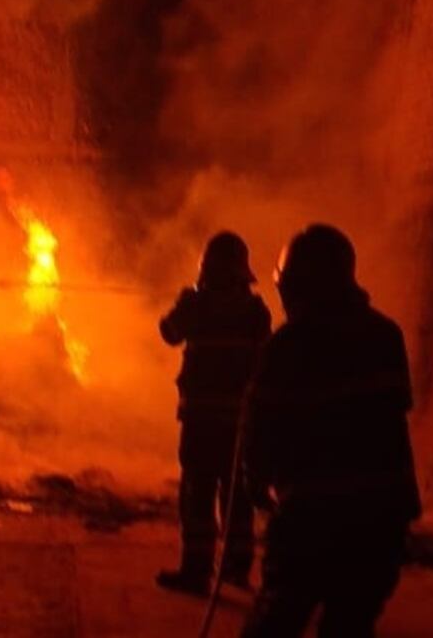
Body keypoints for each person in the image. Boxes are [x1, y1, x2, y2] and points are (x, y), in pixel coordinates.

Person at [241, 224, 421, 637]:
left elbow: (259, 429)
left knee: (276, 620)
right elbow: (395, 409)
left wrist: (257, 486)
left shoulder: (286, 346)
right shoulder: (385, 334)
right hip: (382, 521)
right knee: (351, 625)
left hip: (311, 520)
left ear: (297, 285)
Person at [157, 231, 271, 596]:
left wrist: (182, 301)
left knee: (197, 495)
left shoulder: (194, 305)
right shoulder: (256, 310)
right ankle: (236, 568)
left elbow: (169, 333)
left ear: (206, 269)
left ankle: (197, 570)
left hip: (201, 422)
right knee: (237, 496)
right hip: (241, 422)